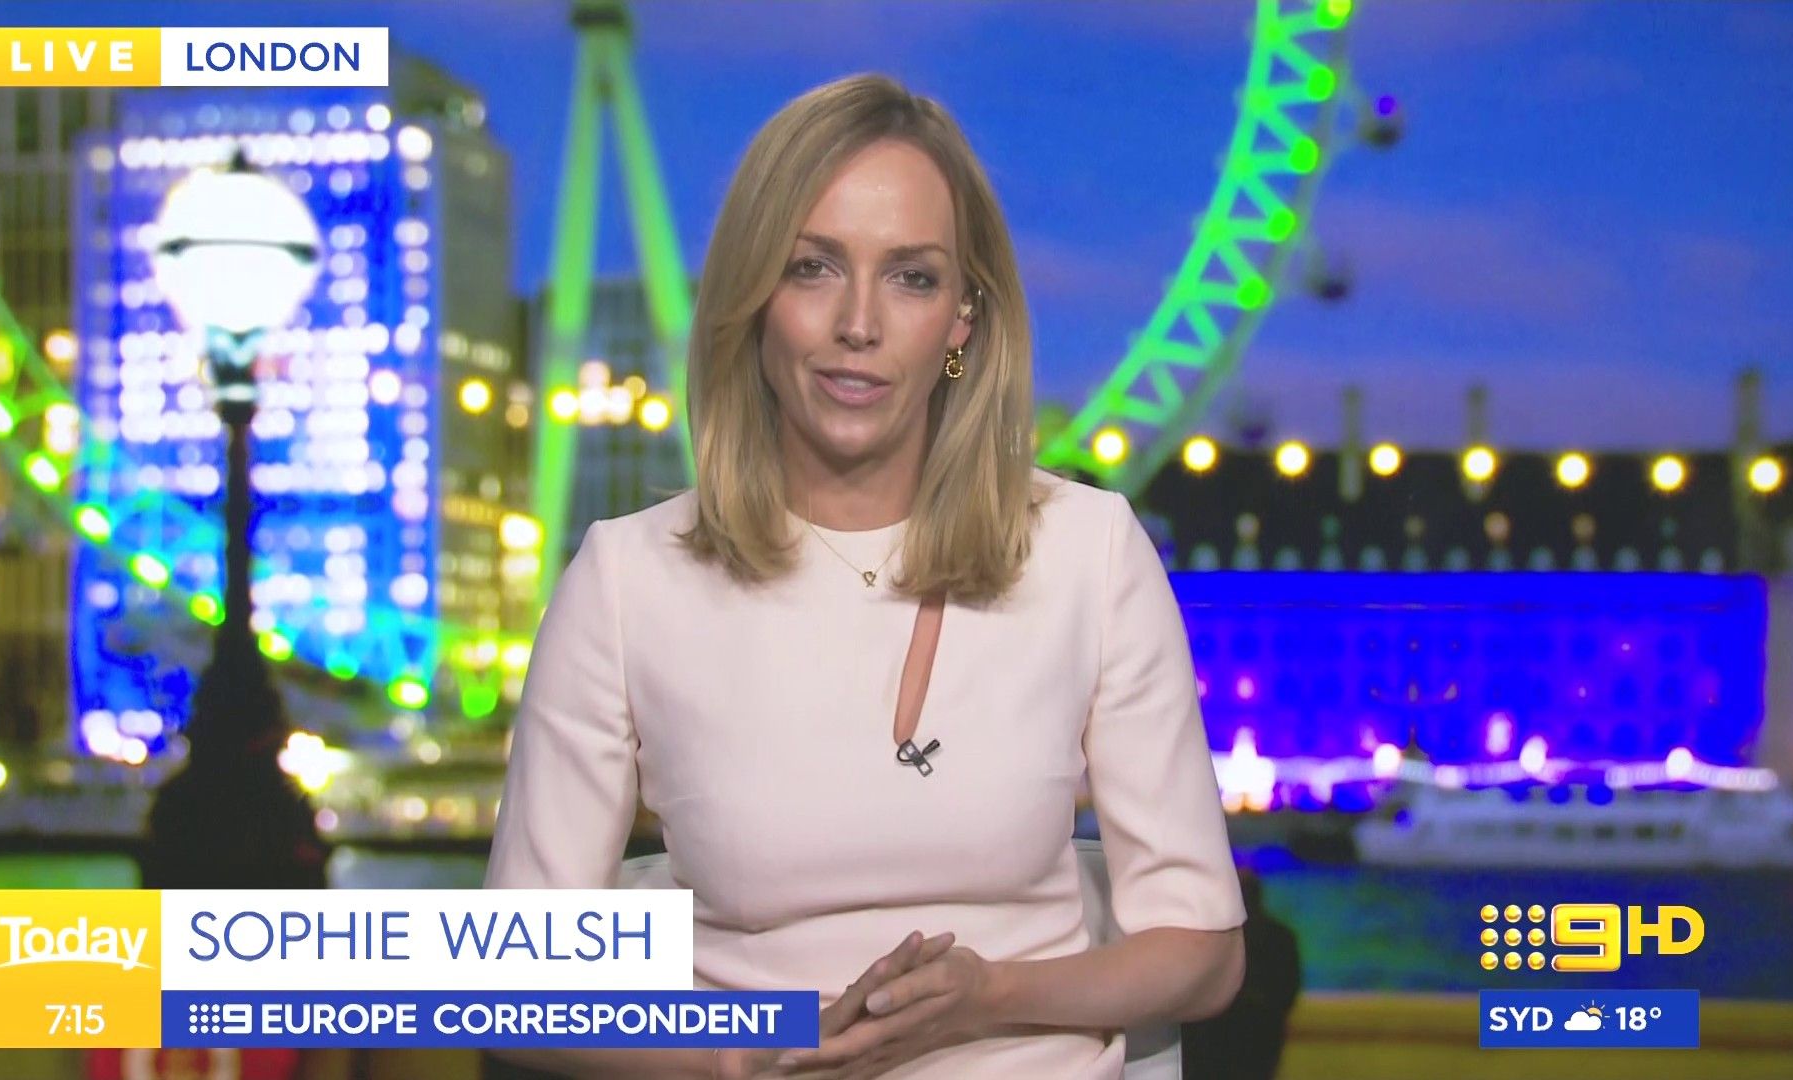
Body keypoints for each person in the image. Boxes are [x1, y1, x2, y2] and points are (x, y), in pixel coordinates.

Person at [485, 72, 1245, 1079]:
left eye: (912, 278)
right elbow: (518, 991)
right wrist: (755, 1057)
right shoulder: (628, 582)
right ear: (754, 297)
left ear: (964, 318)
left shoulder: (1089, 551)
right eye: (812, 268)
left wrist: (987, 998)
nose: (859, 322)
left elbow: (1204, 952)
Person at [1179, 869, 1303, 1080]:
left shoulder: (1209, 936)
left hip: (1214, 1036)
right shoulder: (1281, 937)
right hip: (1261, 1036)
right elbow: (1288, 989)